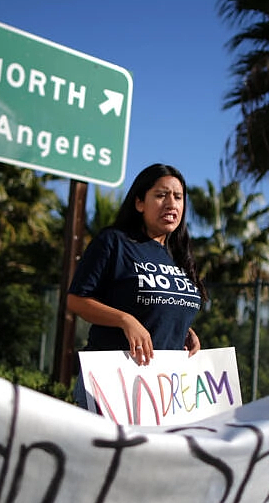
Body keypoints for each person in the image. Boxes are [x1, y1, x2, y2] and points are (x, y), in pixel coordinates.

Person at [67, 163, 207, 409]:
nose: (171, 203)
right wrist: (125, 320)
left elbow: (159, 306)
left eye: (178, 197)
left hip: (162, 392)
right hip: (111, 384)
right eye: (161, 195)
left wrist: (184, 330)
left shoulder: (179, 255)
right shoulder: (114, 242)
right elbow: (76, 300)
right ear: (140, 202)